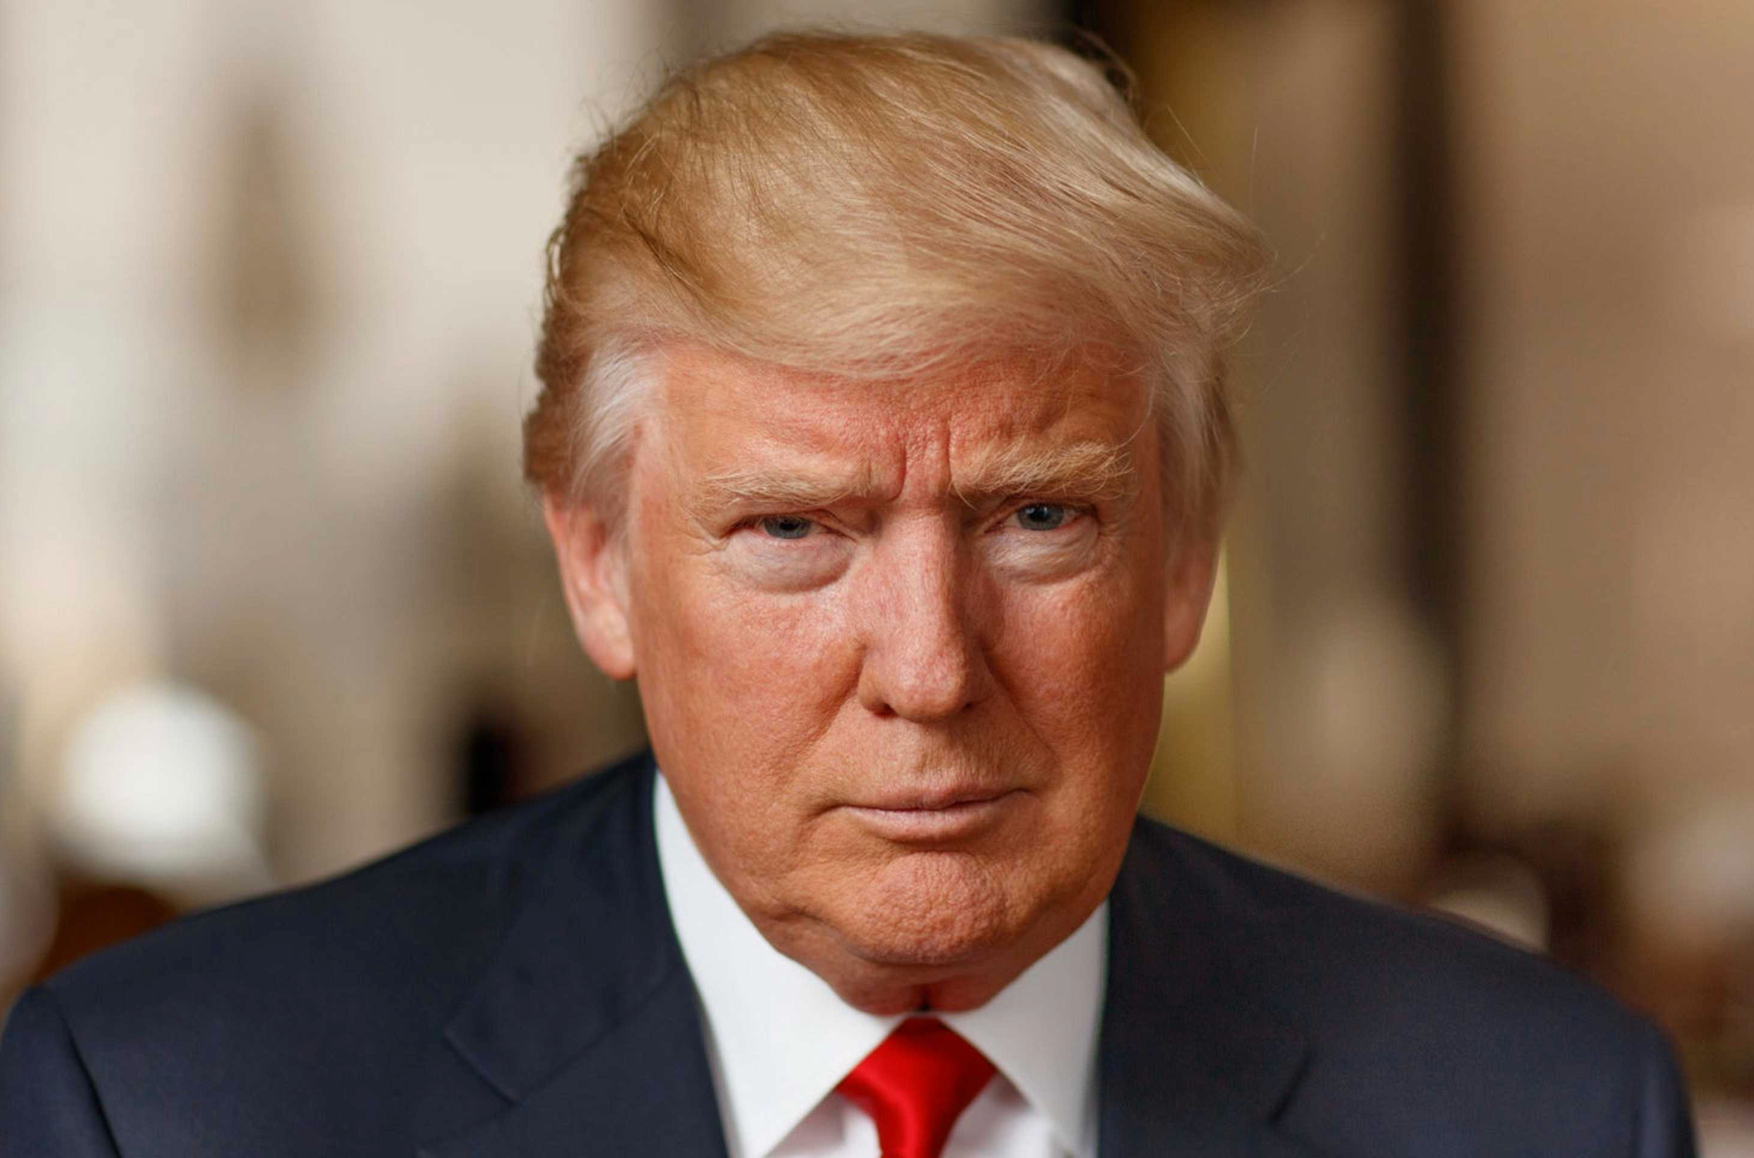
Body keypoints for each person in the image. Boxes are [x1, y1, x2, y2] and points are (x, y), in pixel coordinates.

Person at [0, 31, 1695, 1158]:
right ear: (596, 563)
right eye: (796, 529)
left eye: (1037, 515)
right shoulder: (171, 1107)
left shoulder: (1538, 1111)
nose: (929, 668)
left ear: (1183, 558)